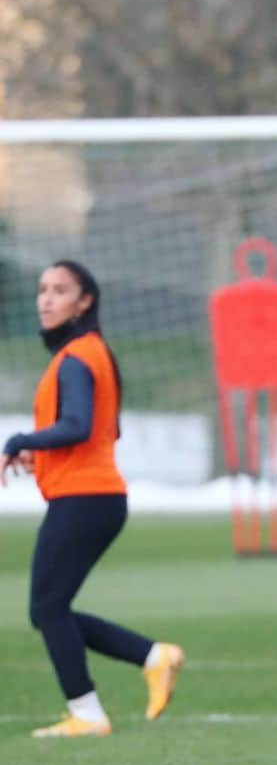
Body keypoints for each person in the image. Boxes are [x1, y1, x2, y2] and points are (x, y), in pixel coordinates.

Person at [0, 260, 184, 738]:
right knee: (50, 608)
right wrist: (40, 460)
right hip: (93, 495)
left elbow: (79, 427)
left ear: (85, 302)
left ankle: (87, 712)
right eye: (42, 289)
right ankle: (152, 657)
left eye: (59, 290)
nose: (45, 299)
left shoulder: (79, 355)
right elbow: (100, 433)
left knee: (47, 608)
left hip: (87, 498)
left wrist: (20, 440)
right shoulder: (89, 353)